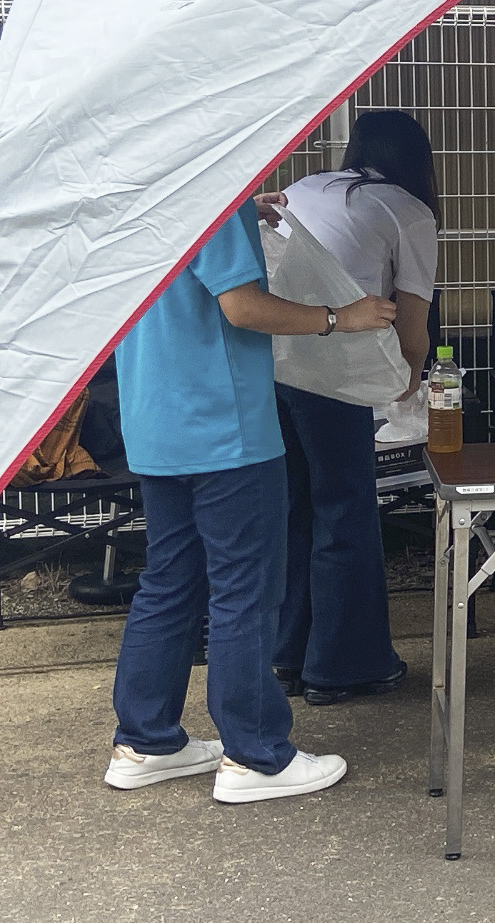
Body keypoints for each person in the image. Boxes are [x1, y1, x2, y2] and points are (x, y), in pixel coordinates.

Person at [105, 199, 395, 801]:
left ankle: (144, 741)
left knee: (169, 580)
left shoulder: (135, 198)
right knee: (245, 590)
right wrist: (342, 317)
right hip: (227, 430)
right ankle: (255, 754)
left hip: (154, 420)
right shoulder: (218, 200)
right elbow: (244, 308)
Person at [271, 110, 438, 703]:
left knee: (295, 510)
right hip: (335, 373)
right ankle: (344, 667)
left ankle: (287, 657)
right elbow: (412, 325)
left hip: (272, 365)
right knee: (346, 513)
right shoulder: (409, 211)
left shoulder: (303, 188)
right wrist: (410, 384)